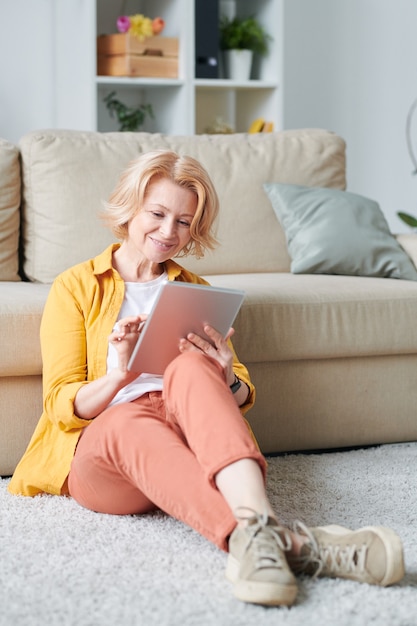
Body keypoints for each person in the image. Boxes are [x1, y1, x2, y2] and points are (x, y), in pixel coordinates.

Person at [9, 150, 405, 607]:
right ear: (129, 207)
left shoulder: (196, 291)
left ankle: (255, 536)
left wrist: (225, 375)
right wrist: (119, 375)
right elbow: (60, 403)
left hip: (184, 437)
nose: (167, 232)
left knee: (192, 365)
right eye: (157, 214)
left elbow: (238, 396)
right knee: (123, 423)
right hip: (107, 452)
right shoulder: (76, 286)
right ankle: (296, 544)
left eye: (183, 221)